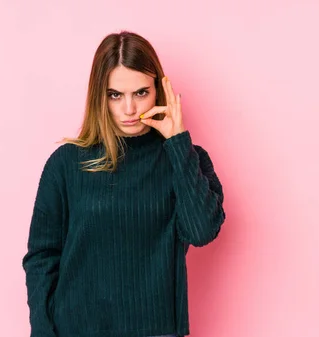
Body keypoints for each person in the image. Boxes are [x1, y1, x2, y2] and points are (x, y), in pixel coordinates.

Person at [22, 30, 226, 337]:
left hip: (157, 329)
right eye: (115, 95)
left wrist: (178, 142)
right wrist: (43, 331)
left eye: (141, 92)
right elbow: (42, 257)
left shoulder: (185, 160)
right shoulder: (66, 163)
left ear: (160, 91)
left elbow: (201, 232)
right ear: (99, 96)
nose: (129, 109)